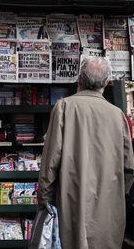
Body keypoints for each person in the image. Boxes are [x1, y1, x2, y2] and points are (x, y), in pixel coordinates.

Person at [37, 56, 134, 249]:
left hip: (70, 203)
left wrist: (45, 199)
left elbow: (50, 162)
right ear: (107, 82)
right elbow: (129, 167)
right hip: (108, 208)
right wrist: (114, 194)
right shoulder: (118, 115)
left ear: (79, 79)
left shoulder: (63, 108)